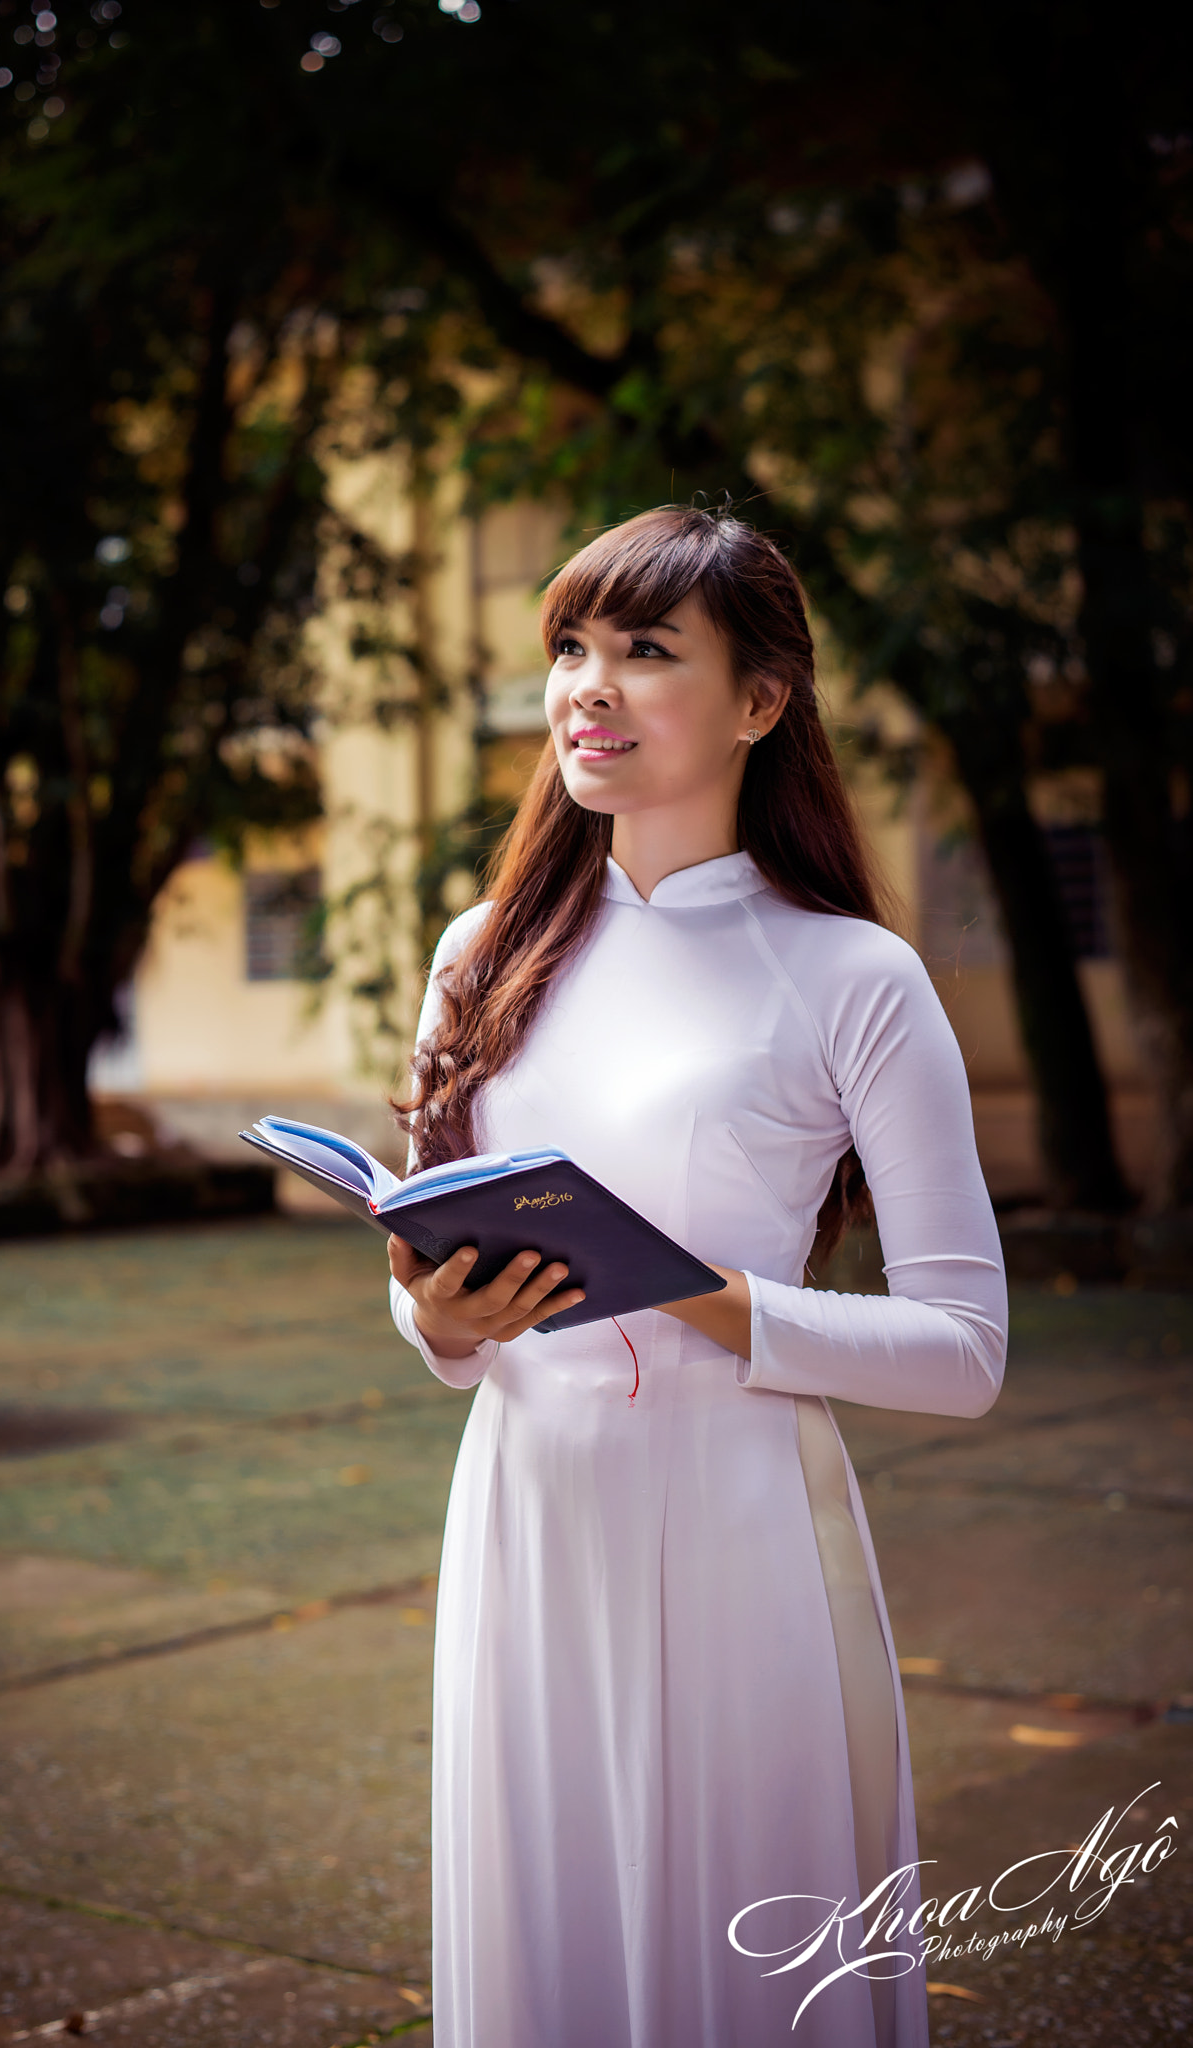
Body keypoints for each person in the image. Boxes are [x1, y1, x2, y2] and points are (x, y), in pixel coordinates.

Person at [386, 505, 1007, 2048]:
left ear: (759, 701)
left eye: (645, 652)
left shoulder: (853, 975)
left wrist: (697, 1292)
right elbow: (432, 1307)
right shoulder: (484, 953)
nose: (586, 687)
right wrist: (432, 1316)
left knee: (741, 1962)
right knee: (548, 1945)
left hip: (745, 1529)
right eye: (571, 650)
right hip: (527, 1508)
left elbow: (966, 1345)